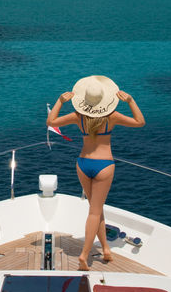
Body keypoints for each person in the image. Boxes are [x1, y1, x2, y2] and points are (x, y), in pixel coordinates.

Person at [46, 75, 145, 270]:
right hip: (104, 165)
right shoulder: (112, 117)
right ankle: (84, 255)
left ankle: (106, 249)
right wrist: (131, 101)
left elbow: (51, 121)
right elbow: (140, 122)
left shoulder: (78, 116)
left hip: (82, 164)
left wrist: (60, 101)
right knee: (95, 210)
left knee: (95, 209)